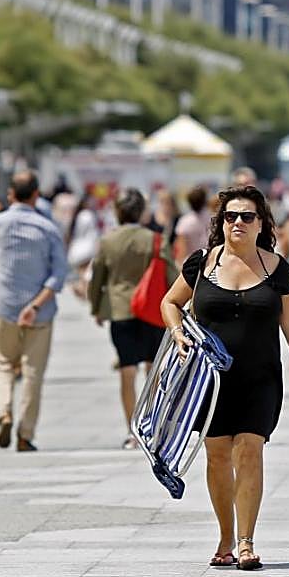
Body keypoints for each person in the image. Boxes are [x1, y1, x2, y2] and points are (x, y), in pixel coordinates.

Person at [161, 185, 289, 570]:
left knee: (250, 449)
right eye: (230, 216)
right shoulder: (202, 263)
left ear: (261, 223)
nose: (237, 223)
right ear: (221, 222)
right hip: (210, 382)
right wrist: (179, 332)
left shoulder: (276, 267)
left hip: (260, 377)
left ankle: (246, 542)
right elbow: (170, 302)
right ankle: (225, 537)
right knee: (217, 456)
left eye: (247, 216)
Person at [88, 188, 179, 447]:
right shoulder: (156, 240)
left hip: (120, 311)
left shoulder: (108, 241)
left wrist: (96, 308)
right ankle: (154, 425)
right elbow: (171, 276)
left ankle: (133, 431)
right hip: (151, 311)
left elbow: (97, 278)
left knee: (127, 373)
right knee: (154, 370)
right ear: (141, 212)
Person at [0, 170, 68, 452]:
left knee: (3, 363)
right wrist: (34, 305)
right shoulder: (48, 229)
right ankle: (25, 434)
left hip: (5, 306)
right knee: (33, 373)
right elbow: (59, 274)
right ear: (36, 195)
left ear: (10, 195)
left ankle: (3, 411)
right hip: (40, 311)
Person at [65, 193, 101, 300]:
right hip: (87, 249)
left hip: (76, 249)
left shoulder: (78, 215)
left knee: (83, 273)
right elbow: (93, 232)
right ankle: (83, 290)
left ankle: (82, 290)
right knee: (87, 273)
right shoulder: (88, 215)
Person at [174, 185, 210, 263]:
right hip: (209, 261)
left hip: (191, 263)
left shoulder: (184, 221)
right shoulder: (213, 218)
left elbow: (181, 248)